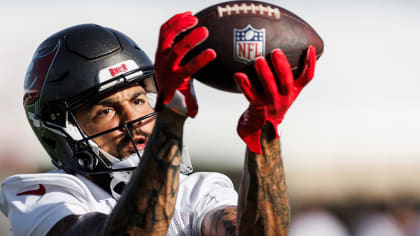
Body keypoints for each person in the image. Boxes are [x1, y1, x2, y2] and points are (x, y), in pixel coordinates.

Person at [0, 12, 316, 236]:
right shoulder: (39, 194)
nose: (134, 120)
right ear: (59, 129)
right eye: (105, 111)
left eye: (138, 100)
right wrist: (171, 118)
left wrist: (263, 135)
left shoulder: (199, 190)